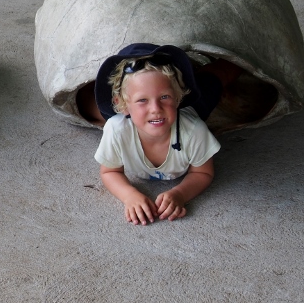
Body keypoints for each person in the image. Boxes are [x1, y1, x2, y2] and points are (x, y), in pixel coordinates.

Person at [91, 44, 229, 225]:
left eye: (164, 97)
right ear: (122, 104)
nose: (156, 109)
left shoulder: (194, 130)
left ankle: (229, 64)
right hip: (129, 115)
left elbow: (203, 172)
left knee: (214, 81)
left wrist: (180, 193)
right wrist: (129, 196)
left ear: (178, 97)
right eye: (142, 100)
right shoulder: (116, 130)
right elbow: (109, 171)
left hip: (193, 109)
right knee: (89, 108)